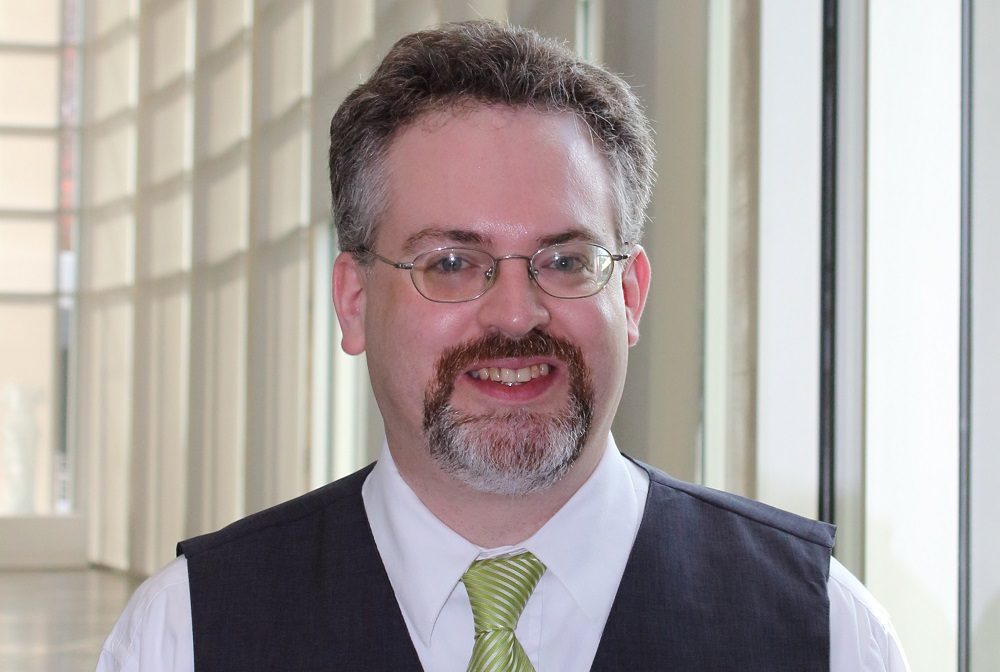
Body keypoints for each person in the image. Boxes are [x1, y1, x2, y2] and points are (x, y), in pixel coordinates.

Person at [98, 19, 908, 672]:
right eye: (451, 264)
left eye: (566, 261)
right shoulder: (187, 635)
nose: (516, 314)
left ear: (629, 296)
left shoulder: (826, 632)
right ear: (354, 303)